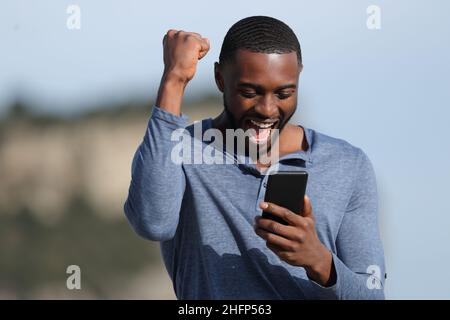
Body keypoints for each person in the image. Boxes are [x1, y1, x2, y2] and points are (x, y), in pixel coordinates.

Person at [124, 16, 386, 299]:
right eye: (250, 92)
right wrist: (174, 79)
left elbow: (372, 295)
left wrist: (319, 261)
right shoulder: (179, 150)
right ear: (220, 79)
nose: (267, 109)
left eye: (284, 93)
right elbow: (153, 223)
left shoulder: (347, 164)